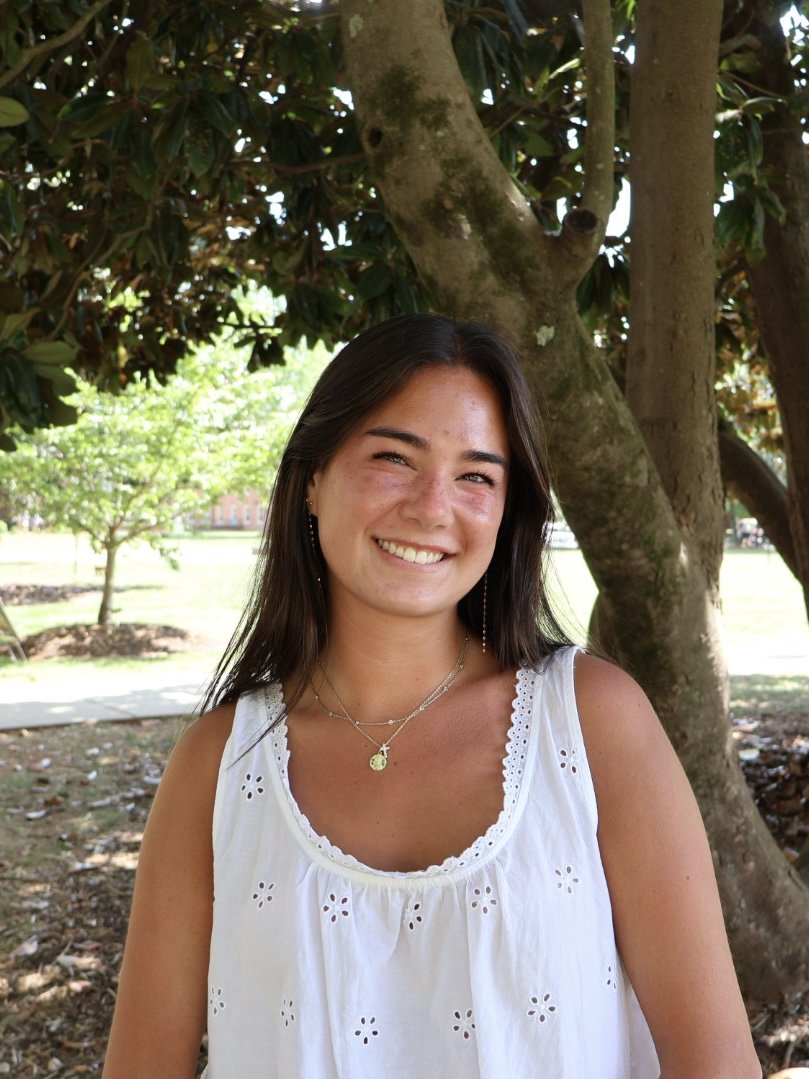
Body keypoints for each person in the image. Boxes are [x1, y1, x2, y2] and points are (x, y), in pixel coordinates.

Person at [103, 314, 760, 1078]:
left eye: (476, 476)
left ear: (507, 510)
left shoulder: (591, 722)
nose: (430, 507)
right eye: (393, 457)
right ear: (312, 477)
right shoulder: (218, 765)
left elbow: (715, 1063)